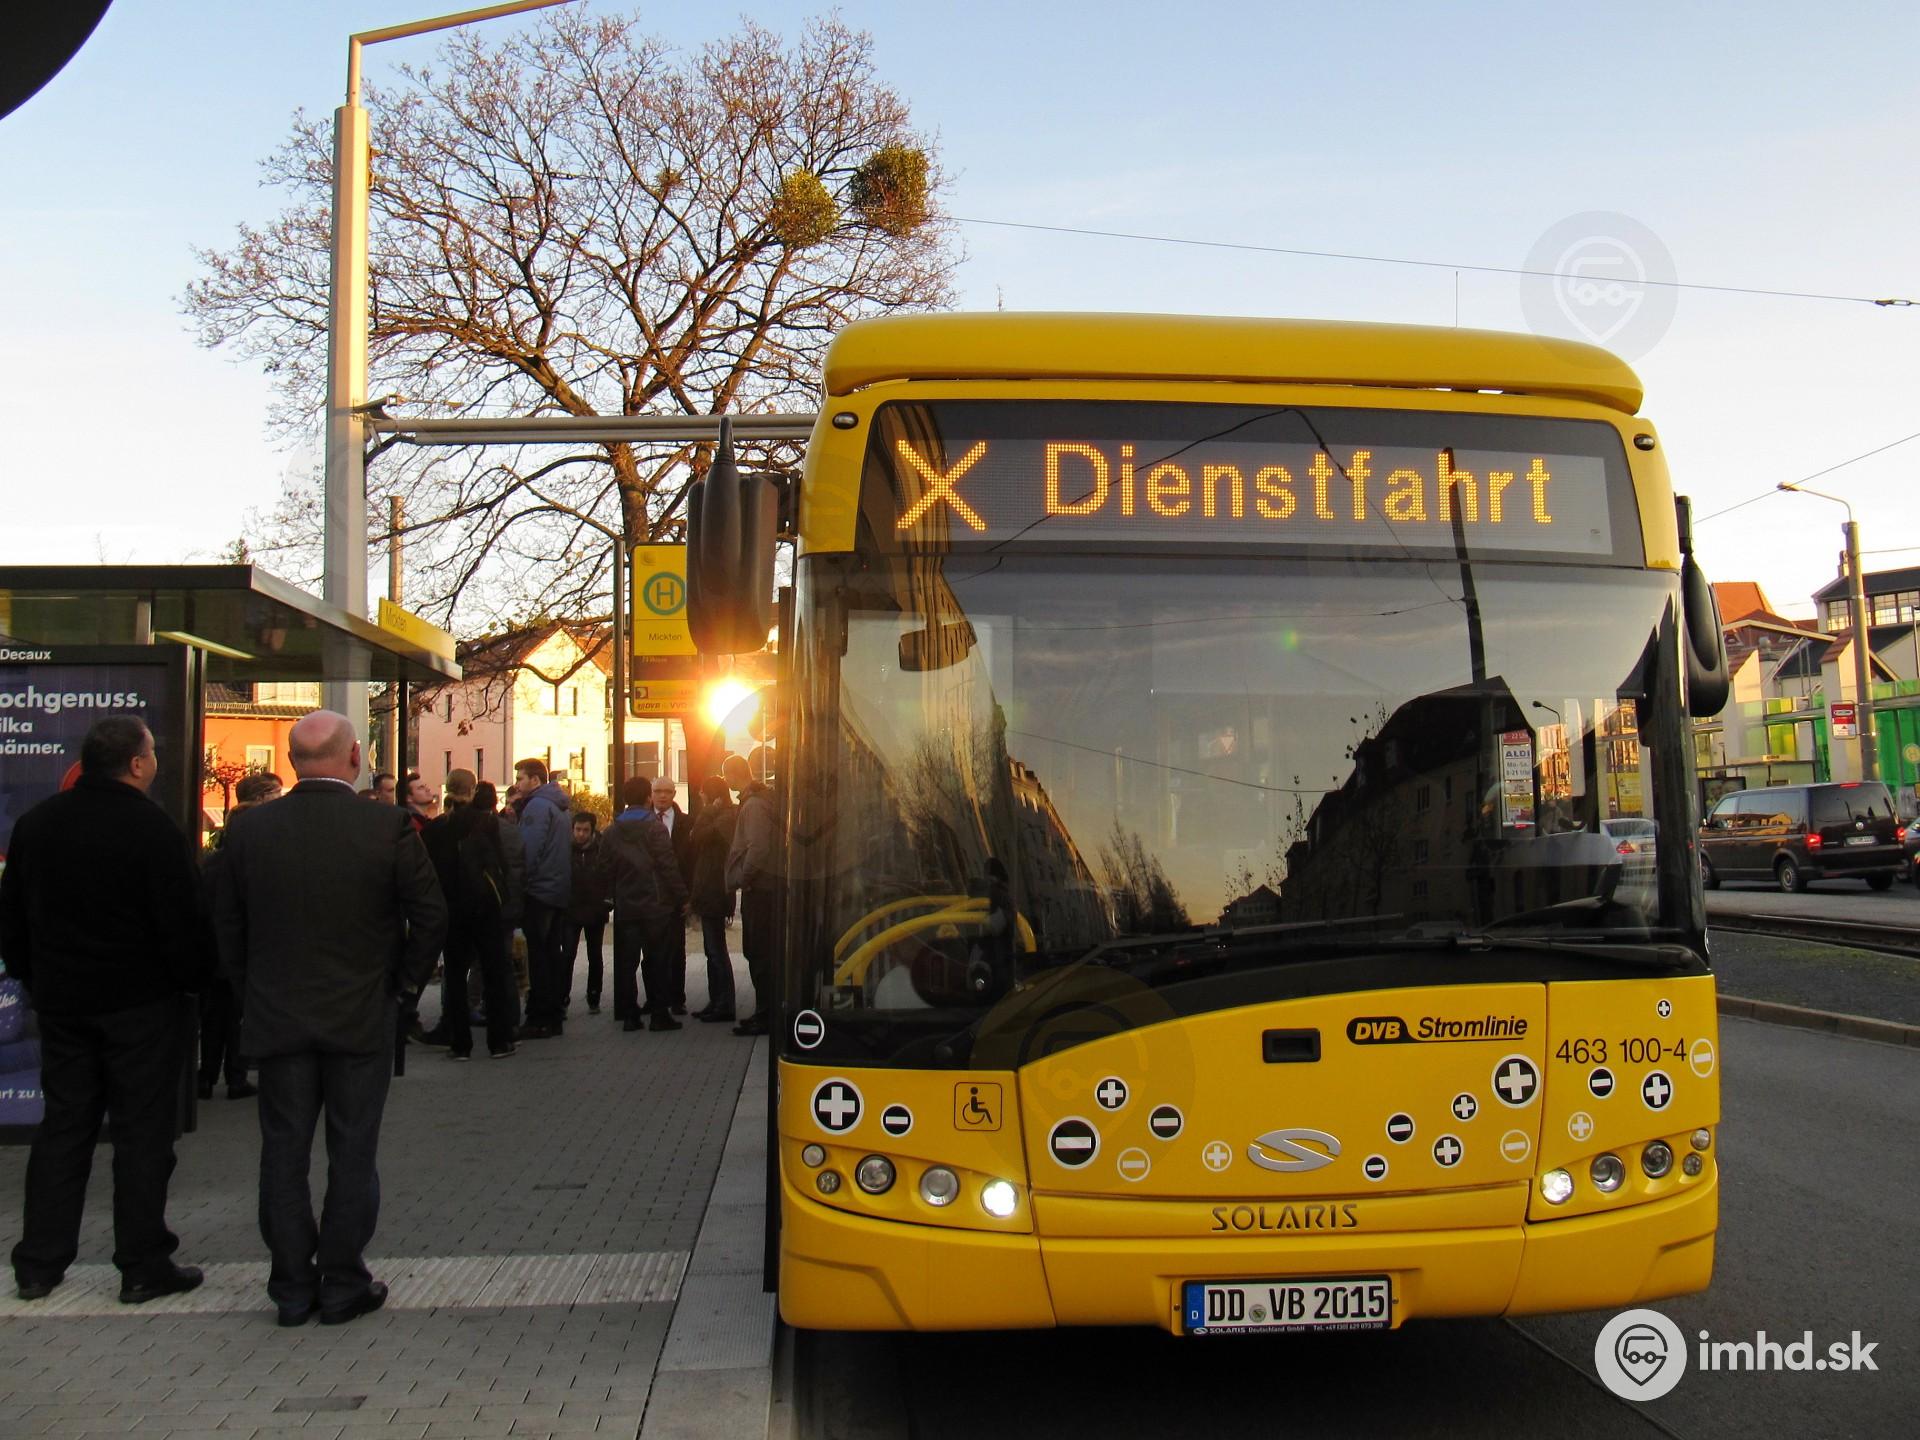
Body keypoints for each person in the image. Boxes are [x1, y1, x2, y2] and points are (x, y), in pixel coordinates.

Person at [212, 710, 446, 1327]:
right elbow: (430, 915)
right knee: (352, 1149)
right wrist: (402, 988)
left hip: (278, 1015)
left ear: (291, 762)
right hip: (361, 1016)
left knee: (282, 1151)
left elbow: (225, 923)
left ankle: (291, 1286)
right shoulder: (386, 825)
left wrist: (248, 990)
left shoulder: (249, 829)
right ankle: (342, 1280)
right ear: (355, 758)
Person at [0, 714, 210, 1304]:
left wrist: (36, 978)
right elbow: (184, 923)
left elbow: (12, 916)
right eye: (152, 753)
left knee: (64, 1128)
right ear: (137, 764)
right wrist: (191, 984)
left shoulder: (38, 824)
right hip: (142, 1005)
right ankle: (143, 1263)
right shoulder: (153, 829)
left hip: (64, 1003)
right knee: (142, 1135)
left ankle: (39, 1263)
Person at [421, 769, 518, 1059]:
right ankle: (499, 1041)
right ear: (473, 790)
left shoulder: (435, 829)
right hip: (485, 906)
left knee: (454, 974)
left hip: (451, 907)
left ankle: (460, 1043)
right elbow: (500, 864)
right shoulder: (486, 822)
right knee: (493, 971)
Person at [594, 777, 688, 1033]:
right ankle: (659, 1015)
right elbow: (668, 865)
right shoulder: (655, 829)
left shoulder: (612, 831)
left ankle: (629, 1015)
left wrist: (609, 896)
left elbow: (603, 868)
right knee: (657, 960)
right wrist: (682, 896)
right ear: (648, 798)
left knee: (627, 963)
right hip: (656, 903)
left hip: (626, 904)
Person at [512, 759, 573, 1038]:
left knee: (538, 956)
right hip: (557, 889)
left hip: (539, 889)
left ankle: (540, 1017)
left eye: (521, 778)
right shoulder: (559, 806)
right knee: (551, 952)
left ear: (535, 780)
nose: (517, 784)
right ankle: (554, 1014)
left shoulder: (537, 806)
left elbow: (528, 849)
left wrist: (520, 882)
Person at [723, 755, 781, 1037]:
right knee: (758, 952)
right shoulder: (758, 800)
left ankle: (766, 1014)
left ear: (732, 775)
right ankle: (764, 1012)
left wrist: (744, 877)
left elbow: (758, 846)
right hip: (763, 886)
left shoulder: (754, 805)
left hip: (760, 888)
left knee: (759, 953)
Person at [688, 775, 739, 1023]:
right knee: (711, 950)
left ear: (712, 794)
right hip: (711, 890)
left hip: (715, 891)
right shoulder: (722, 815)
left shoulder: (725, 817)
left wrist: (707, 812)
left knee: (716, 950)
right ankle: (716, 999)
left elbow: (697, 836)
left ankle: (724, 1003)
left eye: (702, 792)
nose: (700, 795)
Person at [560, 813, 611, 1015]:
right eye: (578, 829)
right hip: (570, 909)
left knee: (595, 955)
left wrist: (606, 902)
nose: (581, 834)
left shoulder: (601, 849)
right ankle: (562, 997)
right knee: (567, 955)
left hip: (595, 909)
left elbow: (608, 875)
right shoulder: (564, 849)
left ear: (592, 831)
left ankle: (594, 995)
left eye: (585, 830)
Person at [651, 777, 694, 1015]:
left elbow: (691, 861)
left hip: (677, 894)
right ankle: (655, 998)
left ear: (674, 794)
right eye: (658, 791)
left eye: (667, 791)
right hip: (651, 895)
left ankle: (677, 998)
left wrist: (688, 895)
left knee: (676, 949)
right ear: (651, 794)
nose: (662, 795)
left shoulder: (686, 823)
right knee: (652, 950)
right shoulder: (644, 821)